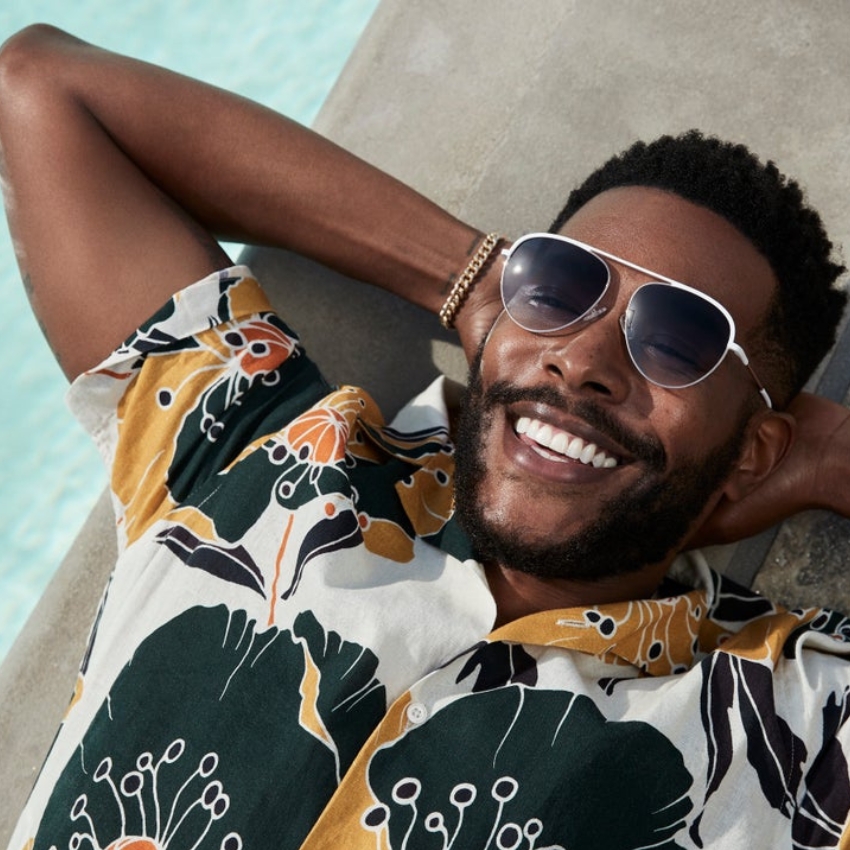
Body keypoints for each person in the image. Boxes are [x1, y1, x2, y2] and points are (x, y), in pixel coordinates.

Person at [2, 23, 850, 850]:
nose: (580, 359)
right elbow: (43, 88)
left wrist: (803, 459)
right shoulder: (272, 460)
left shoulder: (794, 727)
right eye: (558, 286)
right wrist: (474, 281)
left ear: (755, 449)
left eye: (677, 344)